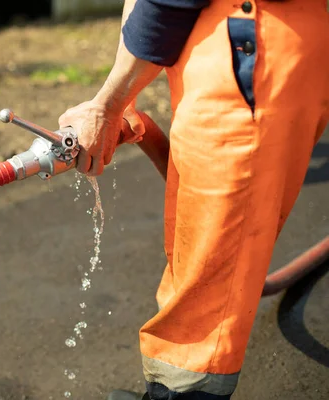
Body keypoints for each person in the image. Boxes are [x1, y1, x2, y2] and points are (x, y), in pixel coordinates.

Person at [58, 0, 329, 399]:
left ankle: (181, 394)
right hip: (257, 39)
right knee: (202, 248)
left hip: (248, 47)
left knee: (211, 274)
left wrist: (108, 104)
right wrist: (119, 97)